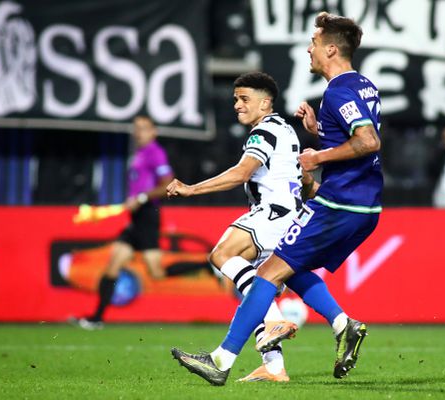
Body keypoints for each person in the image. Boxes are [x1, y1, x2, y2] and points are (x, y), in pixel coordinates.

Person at [170, 12, 383, 385]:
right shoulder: (364, 86)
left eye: (314, 43)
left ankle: (223, 359)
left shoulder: (336, 92)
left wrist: (319, 156)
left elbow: (368, 141)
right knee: (289, 270)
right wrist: (321, 131)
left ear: (331, 49)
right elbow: (356, 138)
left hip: (337, 202)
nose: (309, 49)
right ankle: (334, 329)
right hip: (363, 204)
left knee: (247, 266)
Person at [166, 71, 305, 382]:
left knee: (221, 254)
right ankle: (274, 367)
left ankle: (275, 321)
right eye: (235, 100)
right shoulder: (285, 129)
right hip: (289, 216)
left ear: (265, 103)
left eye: (244, 99)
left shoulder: (264, 132)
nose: (237, 106)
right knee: (255, 289)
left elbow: (242, 173)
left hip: (273, 212)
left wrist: (191, 189)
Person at [76, 115, 174, 330]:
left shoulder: (155, 153)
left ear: (153, 132)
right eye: (136, 128)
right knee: (112, 265)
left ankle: (206, 265)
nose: (138, 132)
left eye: (144, 128)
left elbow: (167, 184)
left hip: (148, 215)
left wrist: (142, 198)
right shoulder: (139, 153)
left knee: (156, 272)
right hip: (136, 218)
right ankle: (96, 318)